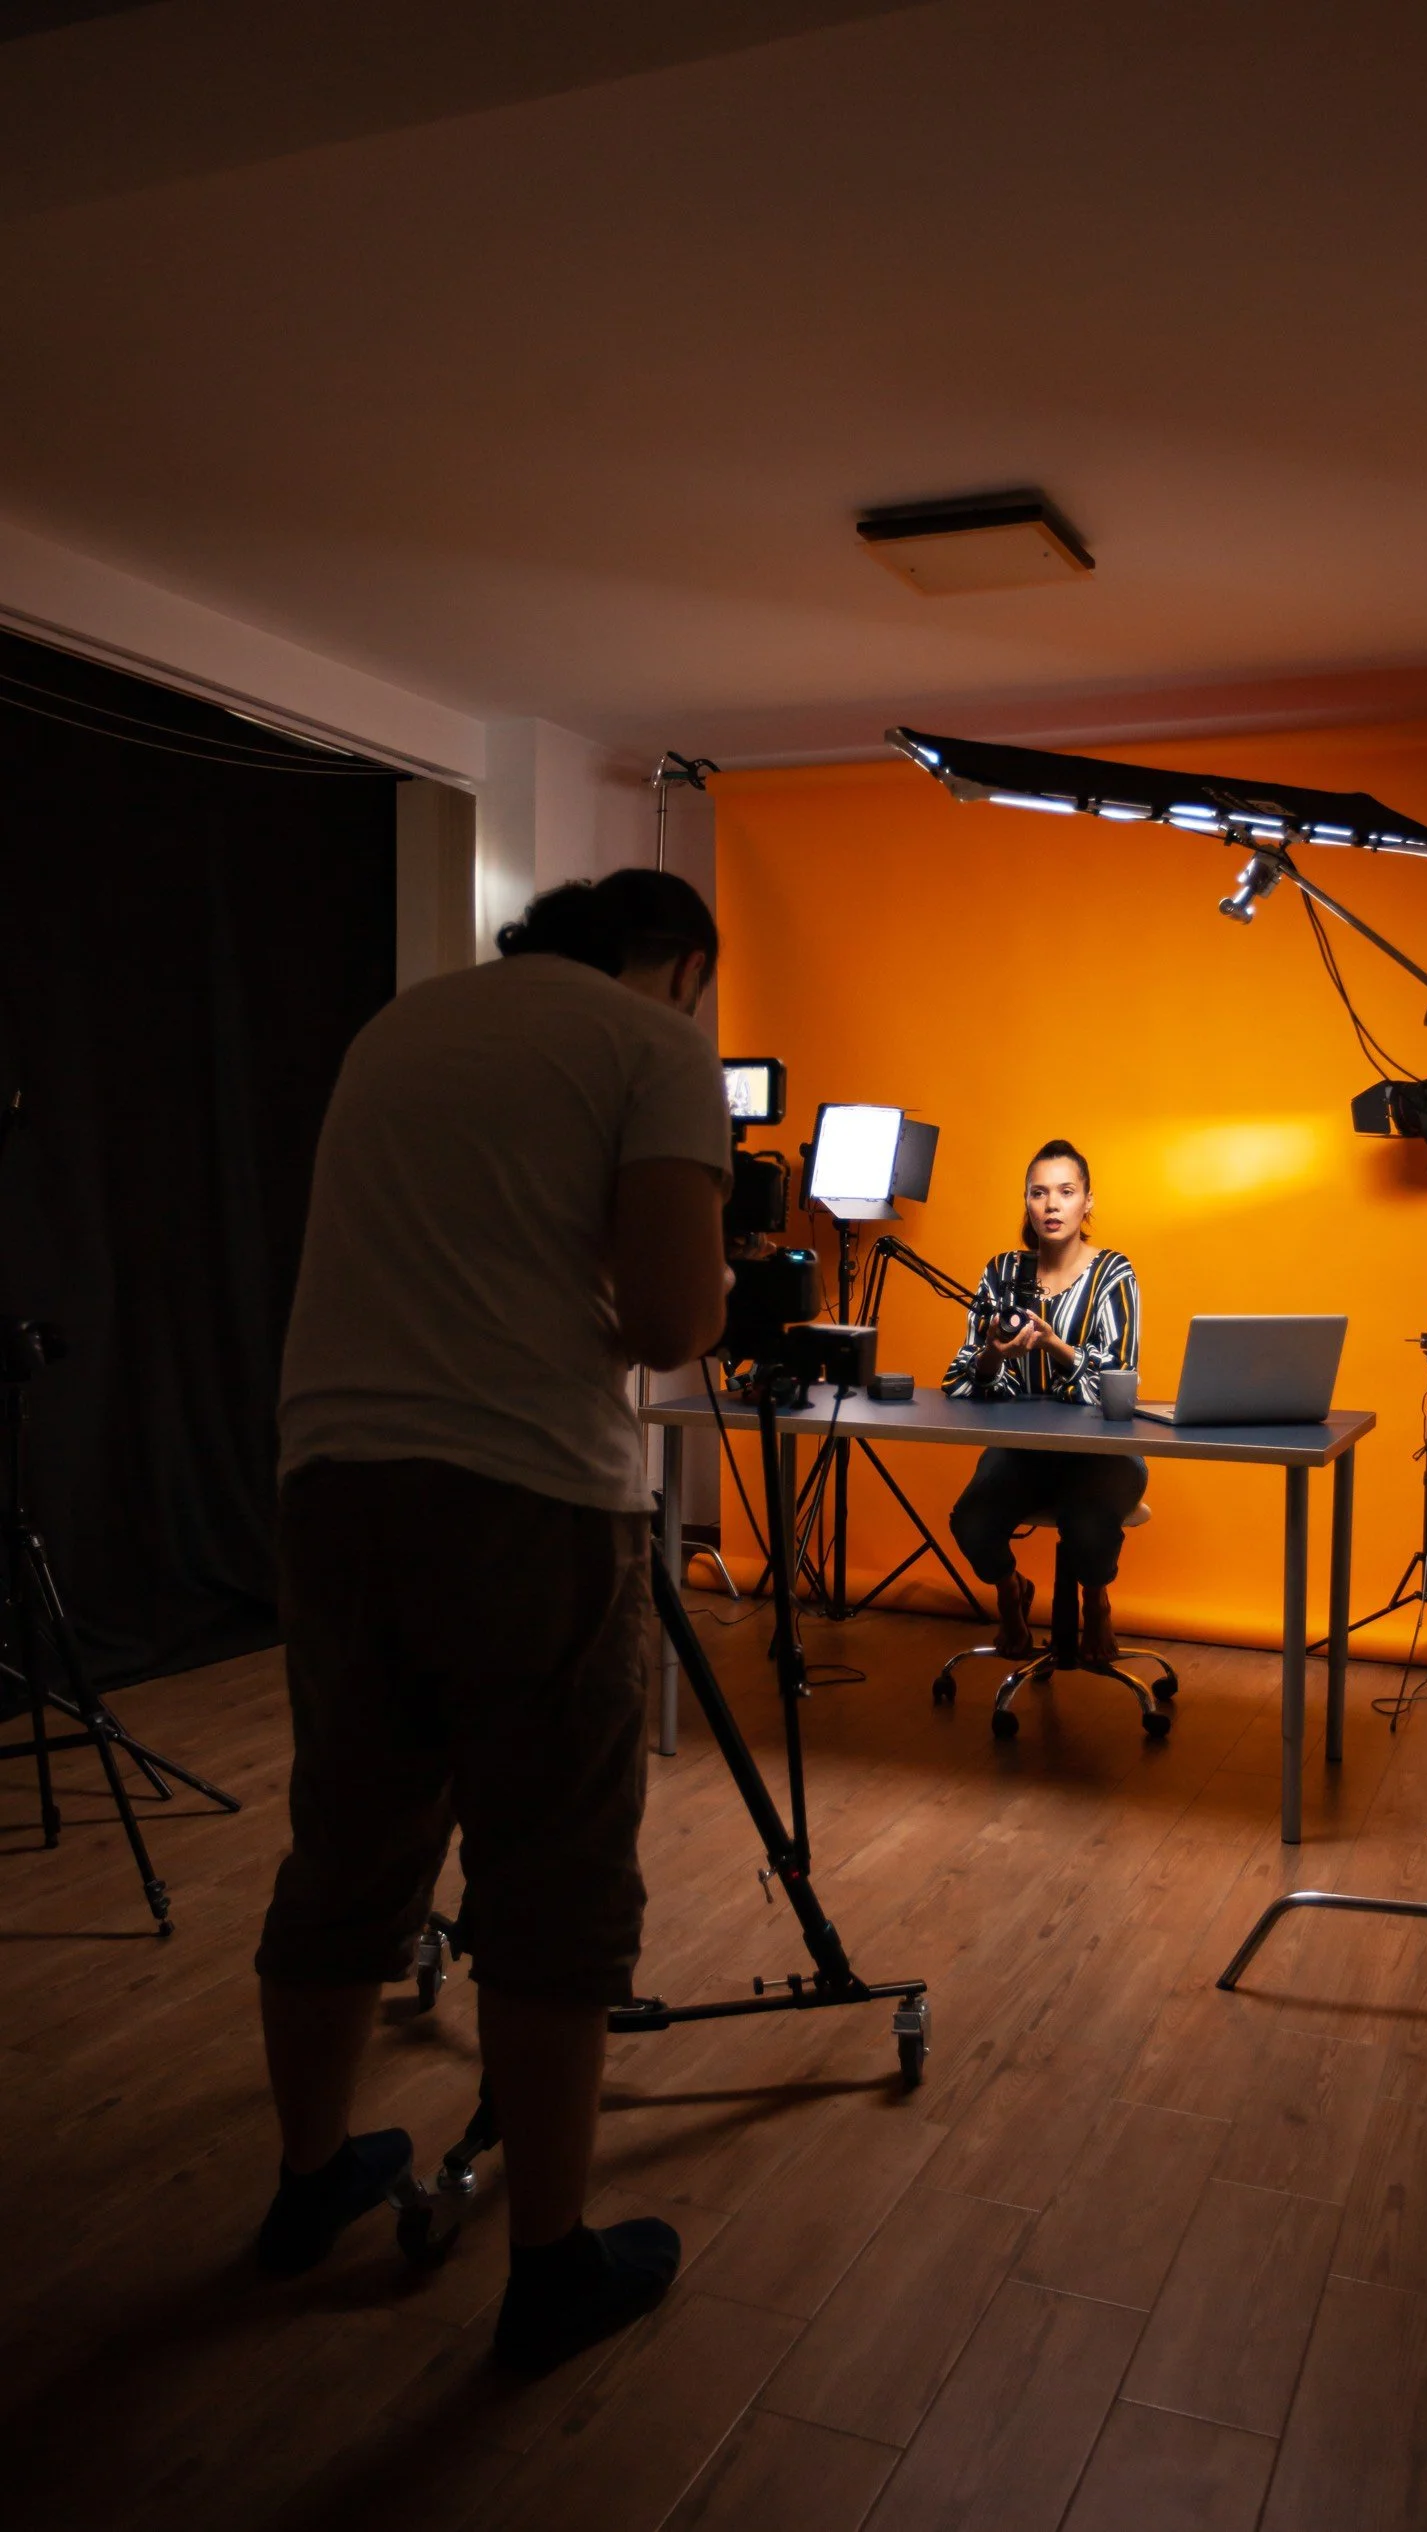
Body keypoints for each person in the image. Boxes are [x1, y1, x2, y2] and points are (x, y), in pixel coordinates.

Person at [252, 866, 732, 2376]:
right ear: (677, 965)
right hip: (526, 1494)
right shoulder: (654, 1052)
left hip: (332, 1481)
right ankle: (550, 2272)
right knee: (554, 1872)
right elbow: (668, 1320)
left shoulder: (402, 1028)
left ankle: (310, 2178)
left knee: (351, 1842)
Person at [944, 1139, 1145, 1662]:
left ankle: (1095, 1603)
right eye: (1039, 1193)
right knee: (972, 1521)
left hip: (1101, 1456)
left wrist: (1055, 1345)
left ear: (1087, 1202)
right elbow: (963, 1380)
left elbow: (1117, 1386)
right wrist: (992, 1353)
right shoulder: (1001, 1273)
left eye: (1066, 1191)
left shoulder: (1114, 1274)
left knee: (1086, 1526)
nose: (1052, 1205)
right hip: (1023, 1452)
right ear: (1027, 1203)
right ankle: (1012, 1593)